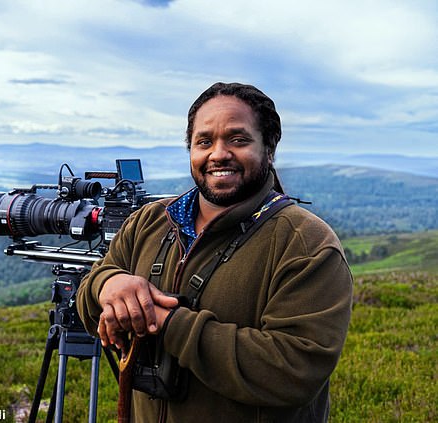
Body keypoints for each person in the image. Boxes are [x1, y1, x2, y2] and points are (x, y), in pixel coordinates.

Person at [76, 82, 353, 422]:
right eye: (204, 141)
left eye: (238, 140)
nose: (218, 154)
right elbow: (89, 303)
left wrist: (167, 323)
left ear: (269, 148)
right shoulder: (149, 222)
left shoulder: (305, 244)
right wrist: (108, 284)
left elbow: (295, 370)